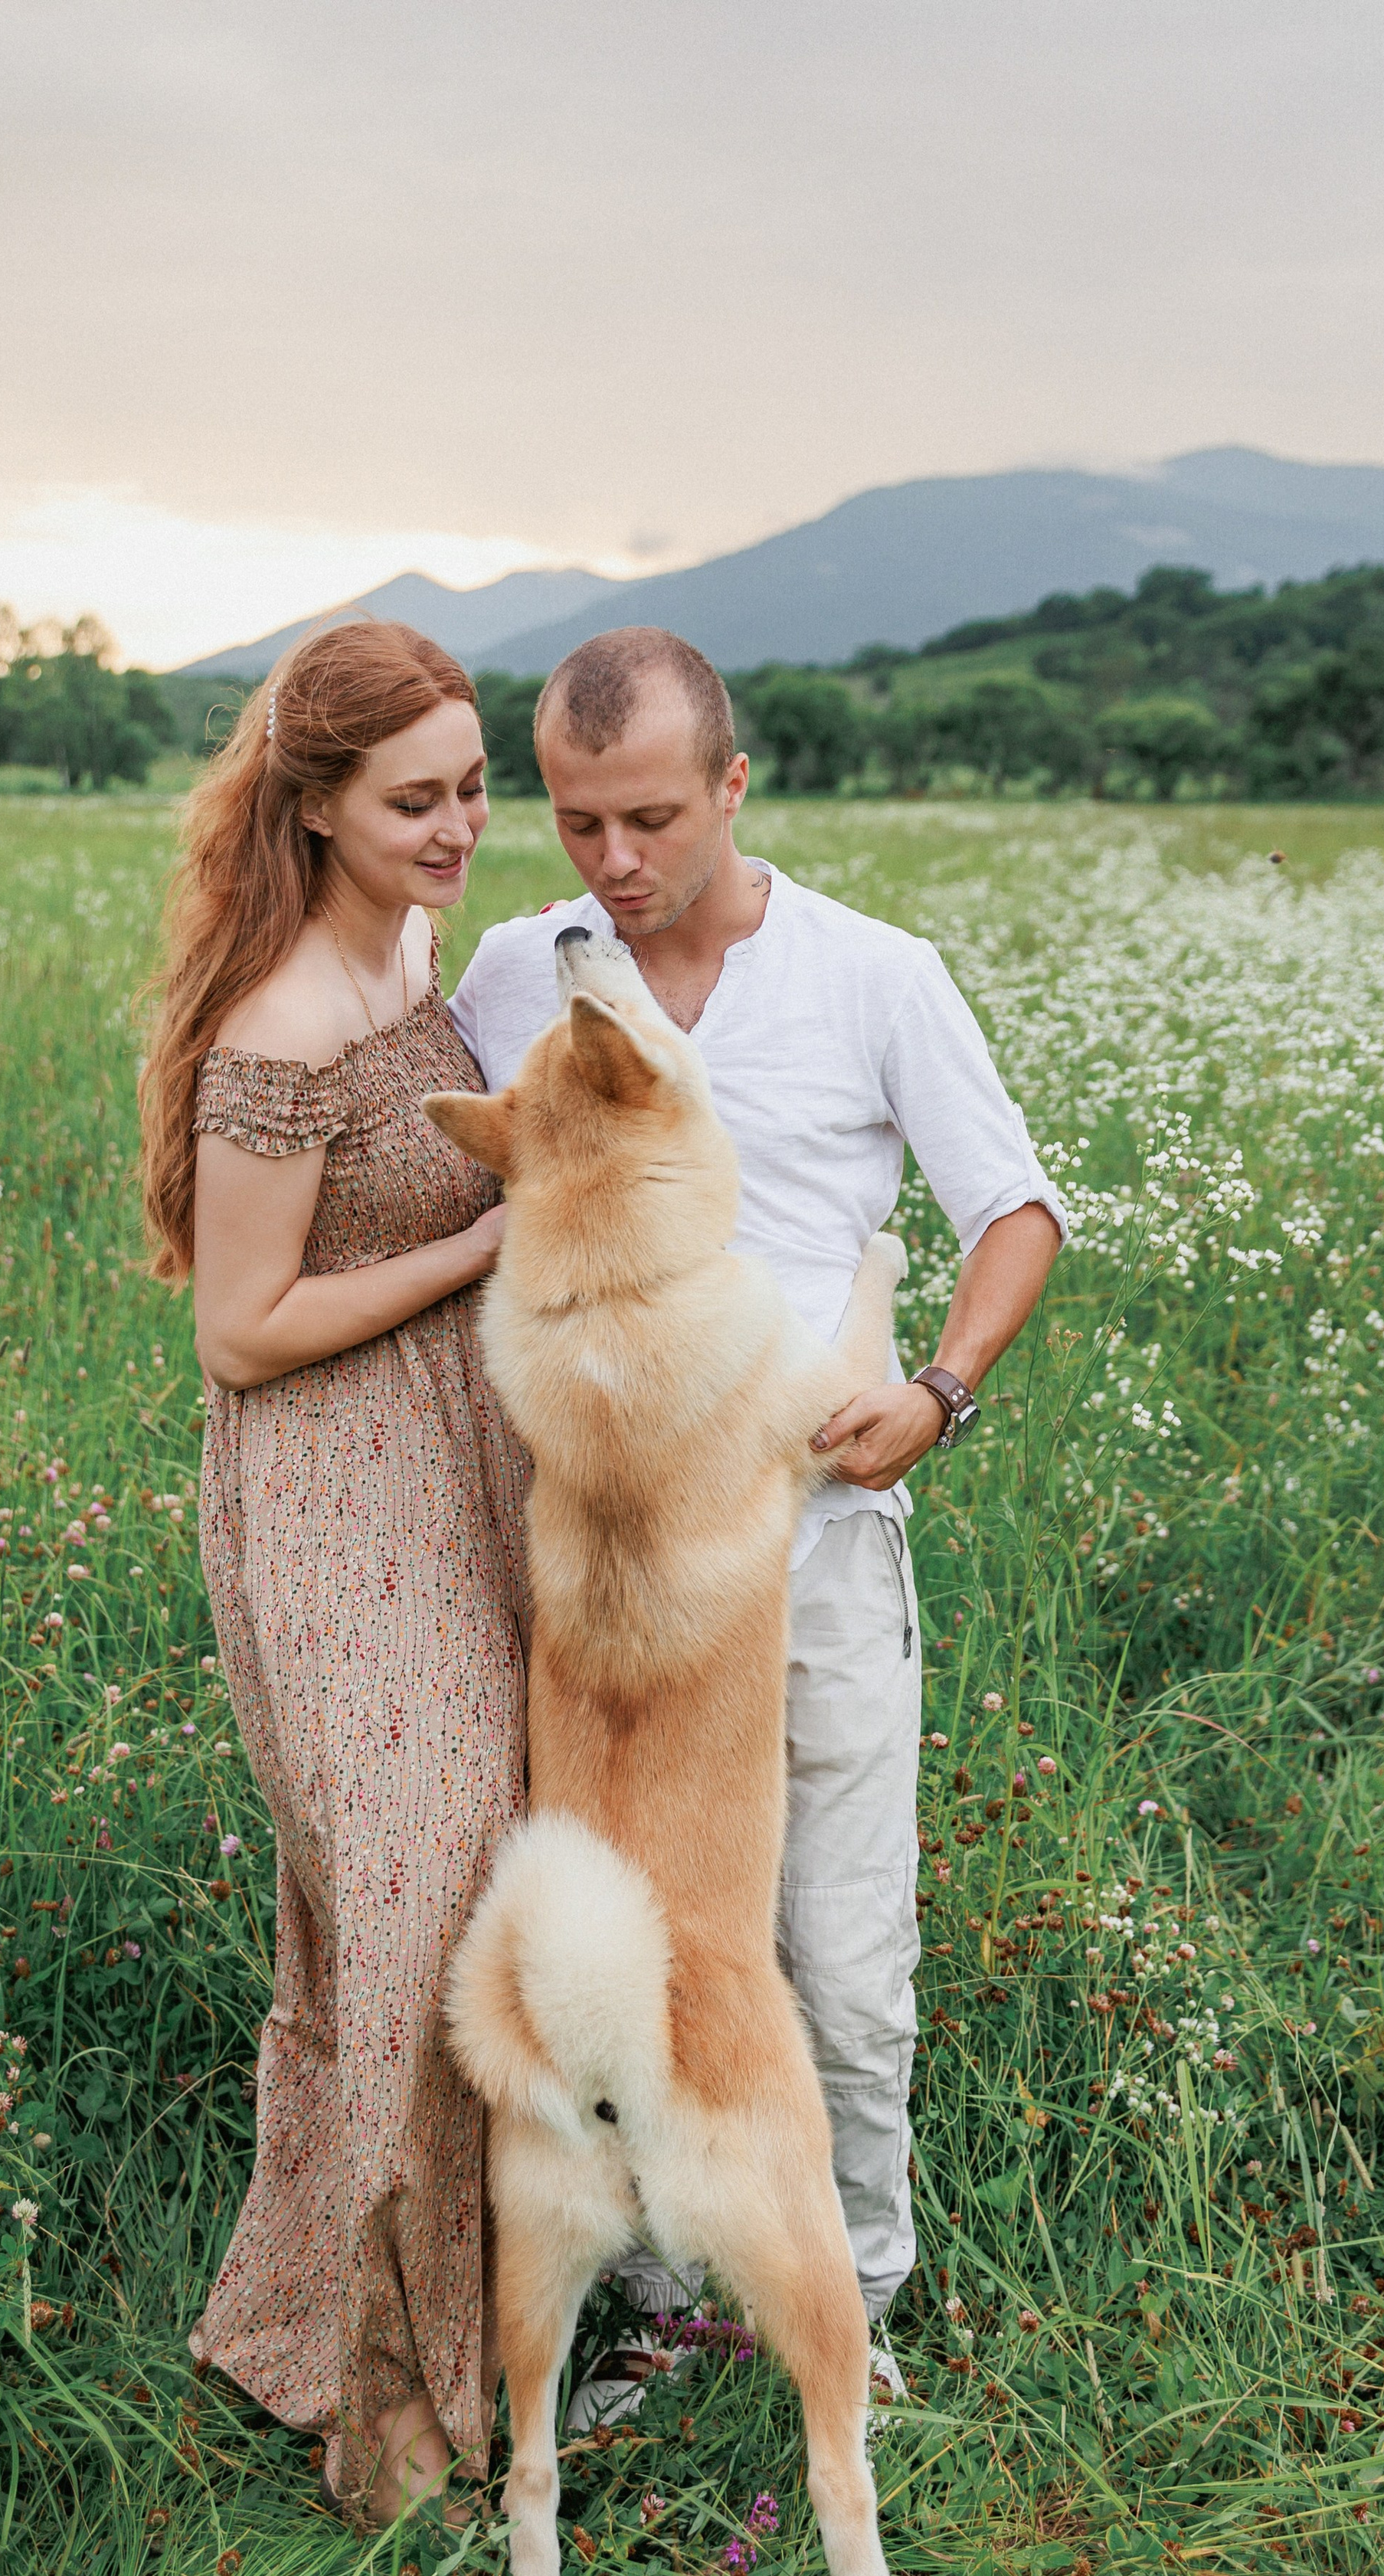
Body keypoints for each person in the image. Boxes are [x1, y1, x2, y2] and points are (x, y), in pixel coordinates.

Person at [447, 627, 1064, 2408]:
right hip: (609, 1583)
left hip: (809, 1554)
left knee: (841, 1964)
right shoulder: (515, 971)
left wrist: (936, 1390)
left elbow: (1012, 1209)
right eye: (576, 823)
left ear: (731, 784)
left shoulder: (872, 975)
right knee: (627, 1958)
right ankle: (648, 2309)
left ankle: (850, 2303)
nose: (614, 862)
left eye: (649, 818)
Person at [137, 620, 528, 2522]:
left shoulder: (416, 947)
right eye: (414, 800)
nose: (458, 828)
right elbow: (240, 1329)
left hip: (463, 1477)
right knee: (411, 1907)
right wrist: (485, 1246)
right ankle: (388, 2418)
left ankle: (406, 2337)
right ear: (314, 806)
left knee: (455, 1908)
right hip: (327, 1500)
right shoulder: (278, 1025)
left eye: (473, 786)